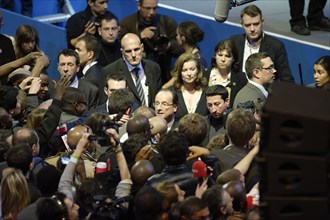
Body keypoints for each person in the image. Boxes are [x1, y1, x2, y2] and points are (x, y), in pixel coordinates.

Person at [119, 0, 183, 83]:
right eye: (148, 8)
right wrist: (139, 36)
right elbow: (119, 46)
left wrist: (167, 45)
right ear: (139, 6)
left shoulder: (167, 22)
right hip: (134, 73)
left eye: (155, 8)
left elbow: (181, 47)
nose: (152, 12)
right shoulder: (127, 23)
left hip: (163, 73)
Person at [230, 5, 294, 83]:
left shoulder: (276, 46)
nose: (252, 29)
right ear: (242, 24)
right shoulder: (235, 41)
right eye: (247, 25)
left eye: (256, 24)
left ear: (262, 22)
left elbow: (286, 78)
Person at [101, 33, 162, 108]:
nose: (133, 55)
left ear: (142, 48)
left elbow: (158, 97)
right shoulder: (110, 70)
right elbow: (104, 103)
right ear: (122, 52)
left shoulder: (153, 67)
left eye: (136, 49)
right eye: (128, 51)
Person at [204, 39, 248, 108]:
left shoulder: (240, 78)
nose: (223, 59)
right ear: (215, 56)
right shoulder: (204, 75)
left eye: (227, 56)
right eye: (220, 55)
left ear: (233, 59)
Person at [168, 53, 208, 120]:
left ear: (198, 70)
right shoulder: (172, 93)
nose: (189, 74)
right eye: (185, 70)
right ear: (179, 72)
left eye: (192, 69)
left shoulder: (207, 92)